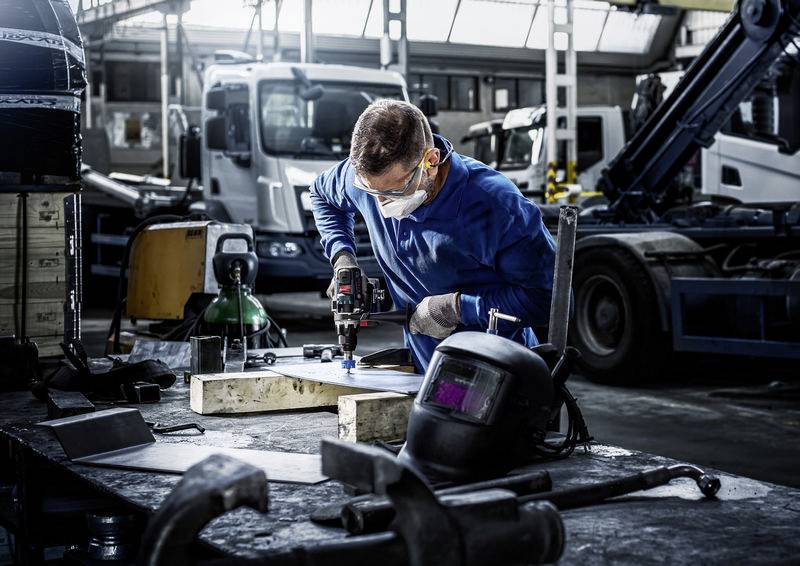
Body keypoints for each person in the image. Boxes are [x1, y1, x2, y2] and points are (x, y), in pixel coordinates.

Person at [310, 100, 556, 372]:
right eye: (371, 193)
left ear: (431, 161)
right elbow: (321, 195)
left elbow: (548, 300)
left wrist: (459, 308)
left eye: (395, 191)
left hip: (498, 374)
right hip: (425, 372)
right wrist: (343, 258)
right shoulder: (369, 180)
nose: (381, 204)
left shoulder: (495, 206)